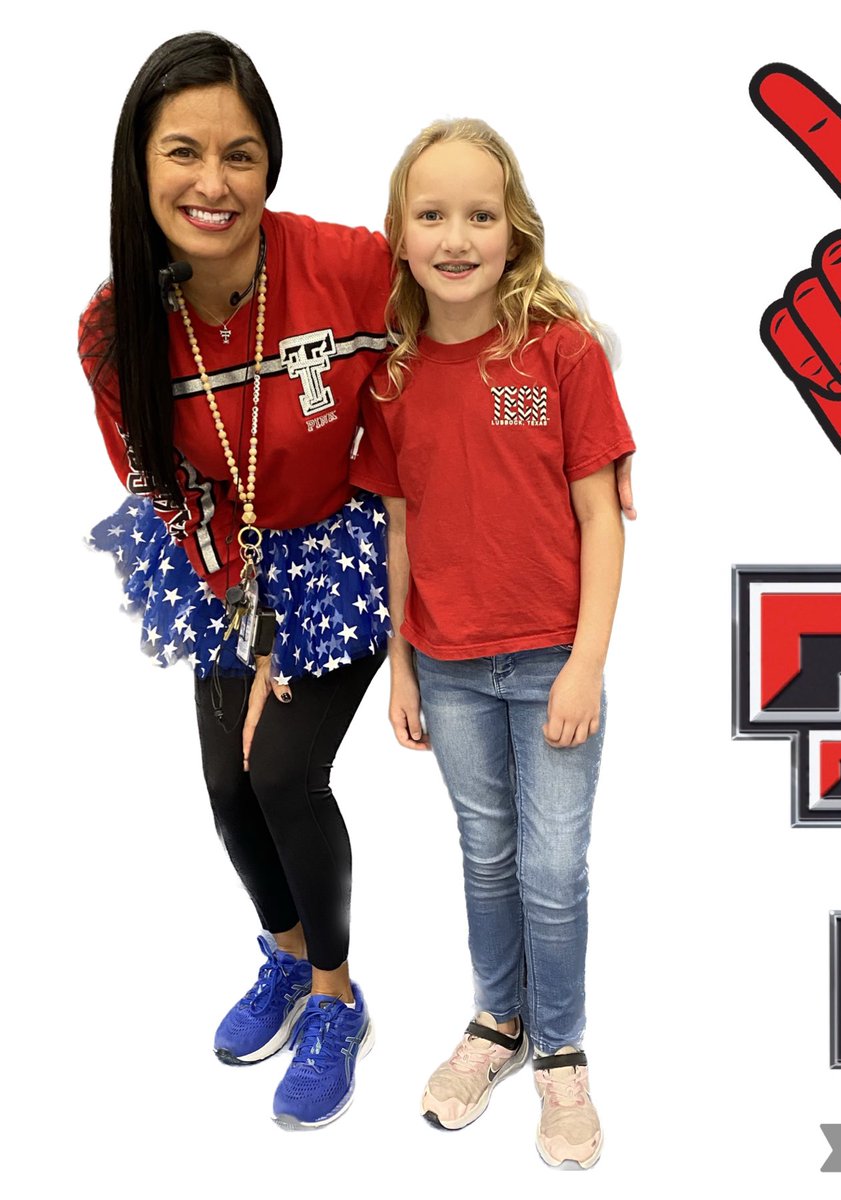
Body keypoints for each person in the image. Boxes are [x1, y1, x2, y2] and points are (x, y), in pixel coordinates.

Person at [79, 32, 390, 1130]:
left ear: (270, 165)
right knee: (226, 785)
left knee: (283, 773)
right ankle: (289, 957)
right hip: (224, 563)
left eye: (240, 154)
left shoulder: (350, 265)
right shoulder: (116, 328)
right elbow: (159, 487)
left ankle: (337, 1001)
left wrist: (577, 417)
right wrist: (247, 631)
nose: (212, 183)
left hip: (343, 548)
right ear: (139, 162)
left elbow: (479, 298)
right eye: (184, 151)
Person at [350, 118, 633, 1169]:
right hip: (451, 666)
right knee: (487, 853)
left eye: (480, 214)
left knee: (553, 869)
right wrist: (402, 664)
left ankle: (562, 1053)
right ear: (400, 234)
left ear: (515, 230)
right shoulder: (392, 377)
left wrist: (587, 663)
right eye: (432, 215)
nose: (456, 237)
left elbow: (601, 516)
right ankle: (497, 1024)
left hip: (553, 658)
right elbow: (401, 528)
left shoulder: (559, 354)